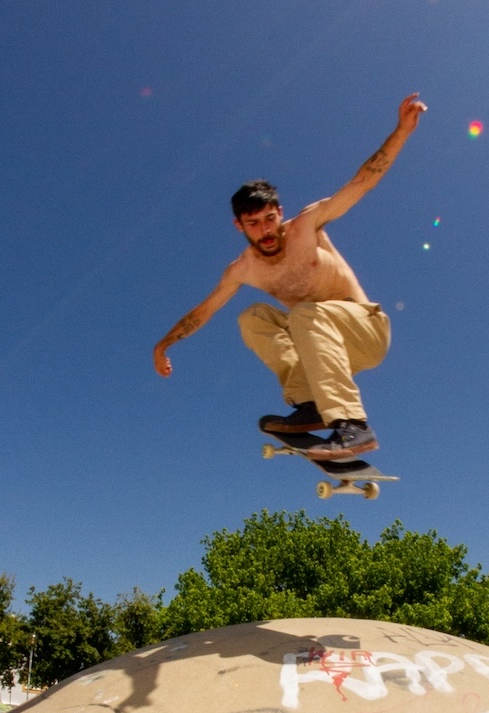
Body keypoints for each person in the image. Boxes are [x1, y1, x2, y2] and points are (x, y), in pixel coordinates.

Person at [153, 93, 426, 460]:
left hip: (366, 332)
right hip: (321, 347)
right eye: (254, 224)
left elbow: (362, 182)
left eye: (270, 219)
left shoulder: (308, 225)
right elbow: (204, 311)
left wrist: (402, 131)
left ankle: (354, 426)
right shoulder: (242, 269)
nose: (265, 231)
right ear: (240, 227)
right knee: (252, 318)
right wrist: (163, 345)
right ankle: (311, 404)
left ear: (280, 213)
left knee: (305, 313)